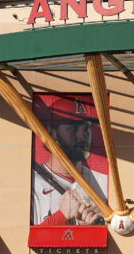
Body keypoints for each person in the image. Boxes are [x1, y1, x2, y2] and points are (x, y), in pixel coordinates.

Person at [32, 95, 108, 226]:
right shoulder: (31, 184)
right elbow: (24, 243)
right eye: (73, 128)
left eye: (86, 128)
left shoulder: (105, 183)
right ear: (51, 133)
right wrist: (61, 216)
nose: (82, 135)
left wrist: (96, 230)